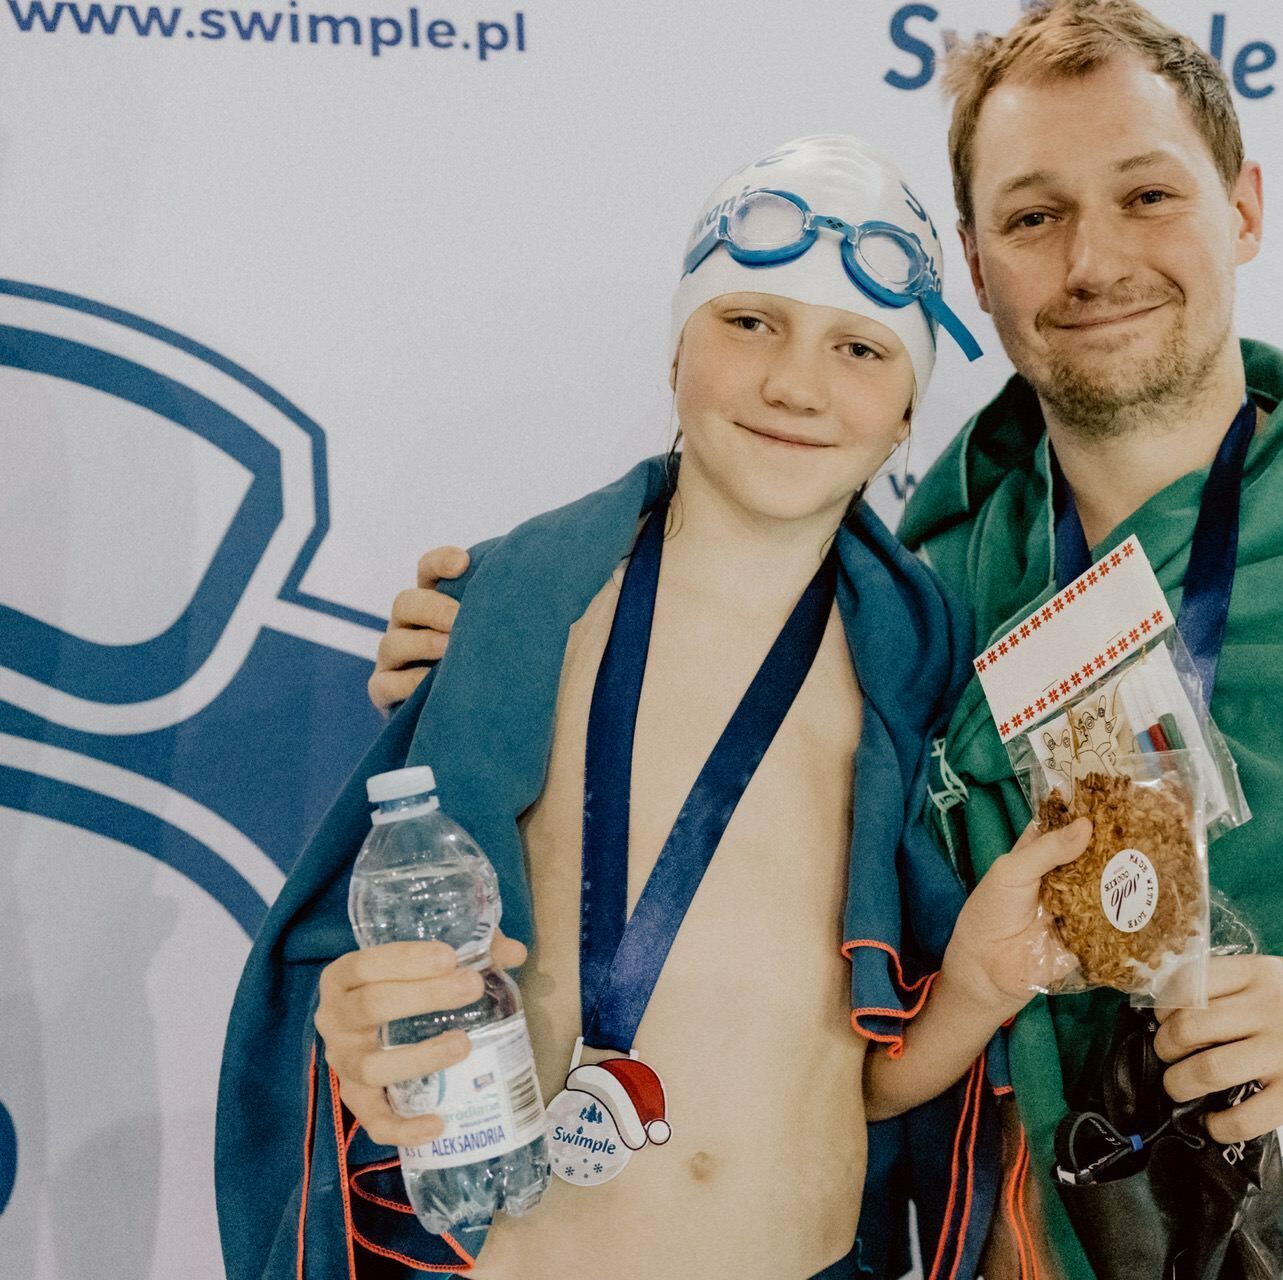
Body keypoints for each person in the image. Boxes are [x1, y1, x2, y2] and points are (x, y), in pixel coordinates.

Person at [369, 4, 1283, 1278]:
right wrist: (491, 650)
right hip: (1041, 1236)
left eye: (1147, 193)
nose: (1096, 257)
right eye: (1035, 215)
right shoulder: (914, 590)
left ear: (1244, 207)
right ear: (978, 280)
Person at [216, 133, 1093, 1280]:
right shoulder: (523, 621)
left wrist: (974, 980)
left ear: (905, 415)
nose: (795, 382)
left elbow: (872, 1082)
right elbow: (375, 1006)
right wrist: (358, 1031)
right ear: (675, 352)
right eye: (749, 321)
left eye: (860, 347)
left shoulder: (914, 676)